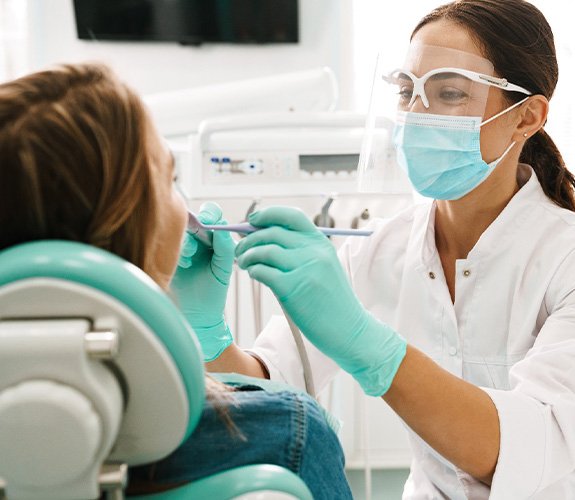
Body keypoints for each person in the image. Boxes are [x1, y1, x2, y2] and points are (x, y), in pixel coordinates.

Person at [187, 0, 575, 498]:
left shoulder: (563, 257)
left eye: (450, 93)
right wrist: (206, 335)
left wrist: (370, 349)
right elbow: (267, 389)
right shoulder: (378, 250)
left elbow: (527, 448)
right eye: (405, 91)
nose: (416, 115)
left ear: (528, 118)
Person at [0, 63, 353, 499]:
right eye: (170, 178)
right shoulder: (286, 436)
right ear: (133, 224)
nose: (184, 210)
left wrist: (211, 340)